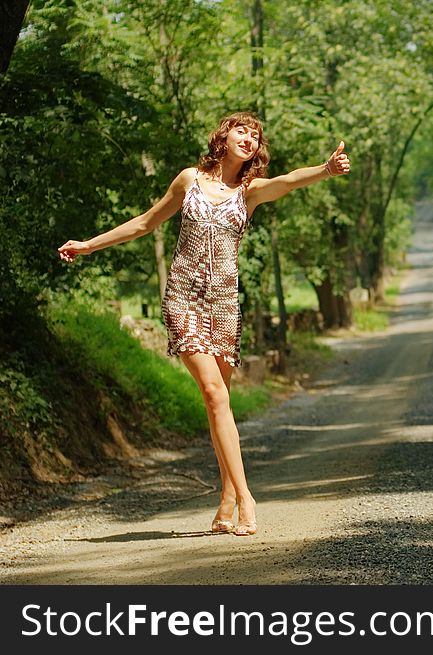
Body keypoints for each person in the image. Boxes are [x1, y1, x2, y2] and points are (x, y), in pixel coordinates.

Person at [58, 111, 351, 536]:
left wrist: (325, 169)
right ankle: (247, 497)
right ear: (224, 135)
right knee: (214, 395)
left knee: (221, 405)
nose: (248, 138)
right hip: (184, 300)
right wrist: (89, 244)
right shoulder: (188, 179)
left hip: (224, 306)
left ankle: (226, 497)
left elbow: (288, 181)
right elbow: (145, 222)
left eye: (255, 135)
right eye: (241, 130)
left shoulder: (248, 192)